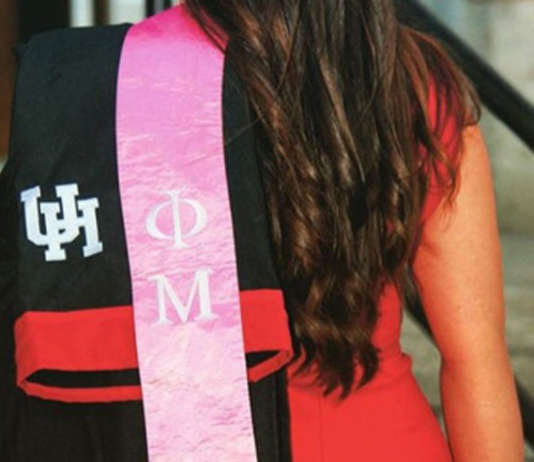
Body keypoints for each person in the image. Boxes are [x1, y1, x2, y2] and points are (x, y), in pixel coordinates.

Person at [0, 1, 524, 461]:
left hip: (187, 440)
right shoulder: (410, 83)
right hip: (380, 438)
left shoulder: (123, 85)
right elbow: (475, 366)